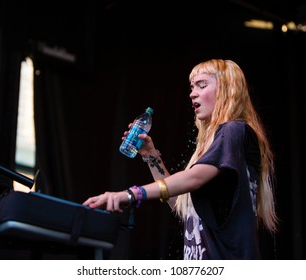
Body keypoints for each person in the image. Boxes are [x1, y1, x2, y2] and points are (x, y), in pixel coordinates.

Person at [83, 58, 278, 260]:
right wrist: (151, 156)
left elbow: (194, 178)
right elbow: (181, 205)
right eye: (192, 87)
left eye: (202, 85)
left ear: (228, 90)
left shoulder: (234, 130)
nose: (192, 93)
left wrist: (131, 194)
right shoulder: (212, 146)